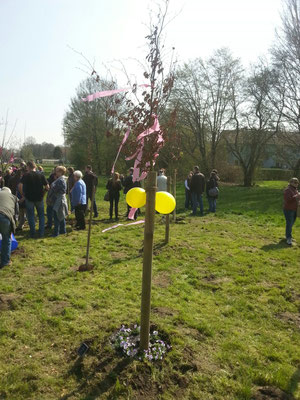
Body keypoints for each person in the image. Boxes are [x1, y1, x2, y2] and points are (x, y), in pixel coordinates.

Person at [19, 161, 49, 238]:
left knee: (31, 216)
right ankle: (41, 233)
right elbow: (47, 187)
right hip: (39, 198)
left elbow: (20, 186)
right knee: (41, 216)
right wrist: (43, 193)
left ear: (28, 167)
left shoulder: (26, 175)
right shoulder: (41, 175)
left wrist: (23, 194)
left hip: (29, 198)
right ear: (35, 166)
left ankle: (32, 233)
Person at [0, 187, 19, 268]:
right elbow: (16, 213)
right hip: (5, 216)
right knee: (6, 238)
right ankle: (5, 262)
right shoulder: (13, 197)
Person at [48, 166, 68, 237]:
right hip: (58, 199)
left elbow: (55, 190)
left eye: (56, 171)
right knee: (61, 215)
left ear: (60, 172)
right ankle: (63, 230)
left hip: (59, 200)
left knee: (57, 216)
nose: (55, 172)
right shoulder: (60, 179)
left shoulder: (61, 180)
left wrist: (51, 189)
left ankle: (56, 233)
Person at [283, 177, 300, 245]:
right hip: (288, 210)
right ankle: (289, 238)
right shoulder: (288, 190)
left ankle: (287, 235)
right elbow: (288, 200)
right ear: (291, 182)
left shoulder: (295, 190)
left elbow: (296, 199)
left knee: (291, 224)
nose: (296, 184)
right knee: (289, 224)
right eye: (295, 182)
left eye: (297, 182)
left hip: (295, 209)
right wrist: (297, 196)